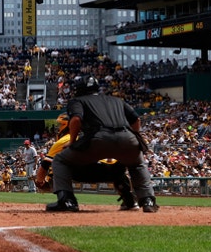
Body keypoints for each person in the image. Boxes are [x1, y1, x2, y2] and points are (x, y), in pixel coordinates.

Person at [47, 75, 157, 213]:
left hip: (98, 137)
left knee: (60, 160)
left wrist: (72, 141)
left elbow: (75, 119)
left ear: (78, 89)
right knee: (137, 164)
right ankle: (148, 200)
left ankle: (67, 201)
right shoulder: (116, 100)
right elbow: (136, 120)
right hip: (127, 137)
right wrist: (132, 137)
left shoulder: (78, 101)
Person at [35, 113, 137, 209]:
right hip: (112, 171)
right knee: (117, 167)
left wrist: (40, 182)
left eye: (60, 124)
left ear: (67, 125)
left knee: (58, 165)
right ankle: (130, 200)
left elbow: (45, 164)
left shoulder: (65, 140)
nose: (57, 128)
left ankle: (66, 201)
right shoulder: (93, 136)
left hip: (82, 173)